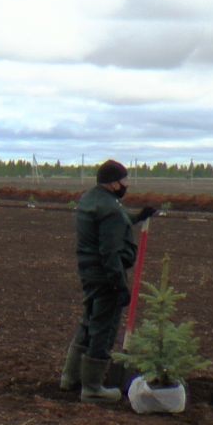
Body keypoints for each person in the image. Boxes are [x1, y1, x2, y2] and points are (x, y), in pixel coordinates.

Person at [63, 160, 157, 402]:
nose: (127, 185)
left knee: (88, 322)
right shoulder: (111, 210)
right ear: (114, 183)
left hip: (89, 273)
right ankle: (93, 388)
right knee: (103, 328)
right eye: (124, 181)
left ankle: (70, 377)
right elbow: (110, 251)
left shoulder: (90, 200)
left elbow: (113, 223)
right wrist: (119, 285)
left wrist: (138, 217)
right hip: (106, 277)